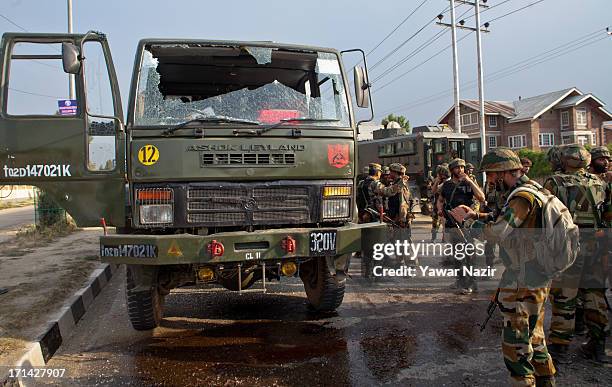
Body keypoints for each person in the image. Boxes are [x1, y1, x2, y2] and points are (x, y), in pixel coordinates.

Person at [449, 148, 556, 387]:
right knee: (535, 334)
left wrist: (469, 224)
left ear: (503, 172)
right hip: (536, 273)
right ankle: (546, 380)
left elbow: (498, 232)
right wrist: (476, 213)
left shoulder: (521, 197)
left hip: (523, 277)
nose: (489, 180)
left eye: (491, 174)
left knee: (516, 340)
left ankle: (523, 382)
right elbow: (504, 219)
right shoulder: (534, 190)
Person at [546, 144, 610, 364]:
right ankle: (598, 346)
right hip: (595, 246)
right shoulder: (600, 183)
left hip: (567, 247)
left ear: (564, 161)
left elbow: (547, 219)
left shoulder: (554, 183)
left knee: (565, 295)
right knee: (595, 294)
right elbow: (608, 217)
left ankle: (560, 348)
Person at [436, 158, 485, 294]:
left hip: (466, 222)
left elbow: (481, 197)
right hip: (451, 222)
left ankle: (471, 283)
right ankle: (460, 280)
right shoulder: (446, 185)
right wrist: (440, 209)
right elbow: (440, 200)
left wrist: (470, 181)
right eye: (458, 168)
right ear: (452, 170)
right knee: (457, 254)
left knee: (469, 253)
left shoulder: (469, 183)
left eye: (463, 167)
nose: (461, 170)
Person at [430, 164, 449, 241]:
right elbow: (433, 191)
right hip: (437, 205)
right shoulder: (437, 180)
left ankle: (444, 238)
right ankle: (433, 238)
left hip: (447, 204)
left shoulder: (449, 180)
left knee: (445, 222)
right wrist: (437, 181)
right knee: (435, 223)